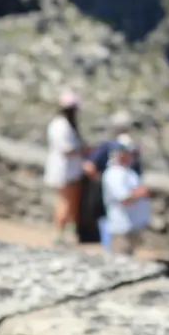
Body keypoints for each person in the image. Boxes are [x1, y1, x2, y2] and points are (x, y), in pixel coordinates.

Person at [80, 113, 133, 246]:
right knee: (107, 220)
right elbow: (88, 167)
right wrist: (101, 179)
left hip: (117, 192)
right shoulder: (109, 146)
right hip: (109, 191)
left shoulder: (112, 145)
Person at [43, 90, 86, 246]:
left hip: (71, 169)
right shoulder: (59, 126)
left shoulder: (66, 125)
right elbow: (66, 149)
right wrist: (81, 150)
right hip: (63, 170)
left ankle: (70, 231)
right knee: (65, 202)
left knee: (71, 201)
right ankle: (58, 233)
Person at [100, 136, 151, 256]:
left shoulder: (127, 171)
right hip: (121, 228)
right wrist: (142, 192)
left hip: (132, 227)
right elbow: (124, 199)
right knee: (120, 262)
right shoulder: (114, 173)